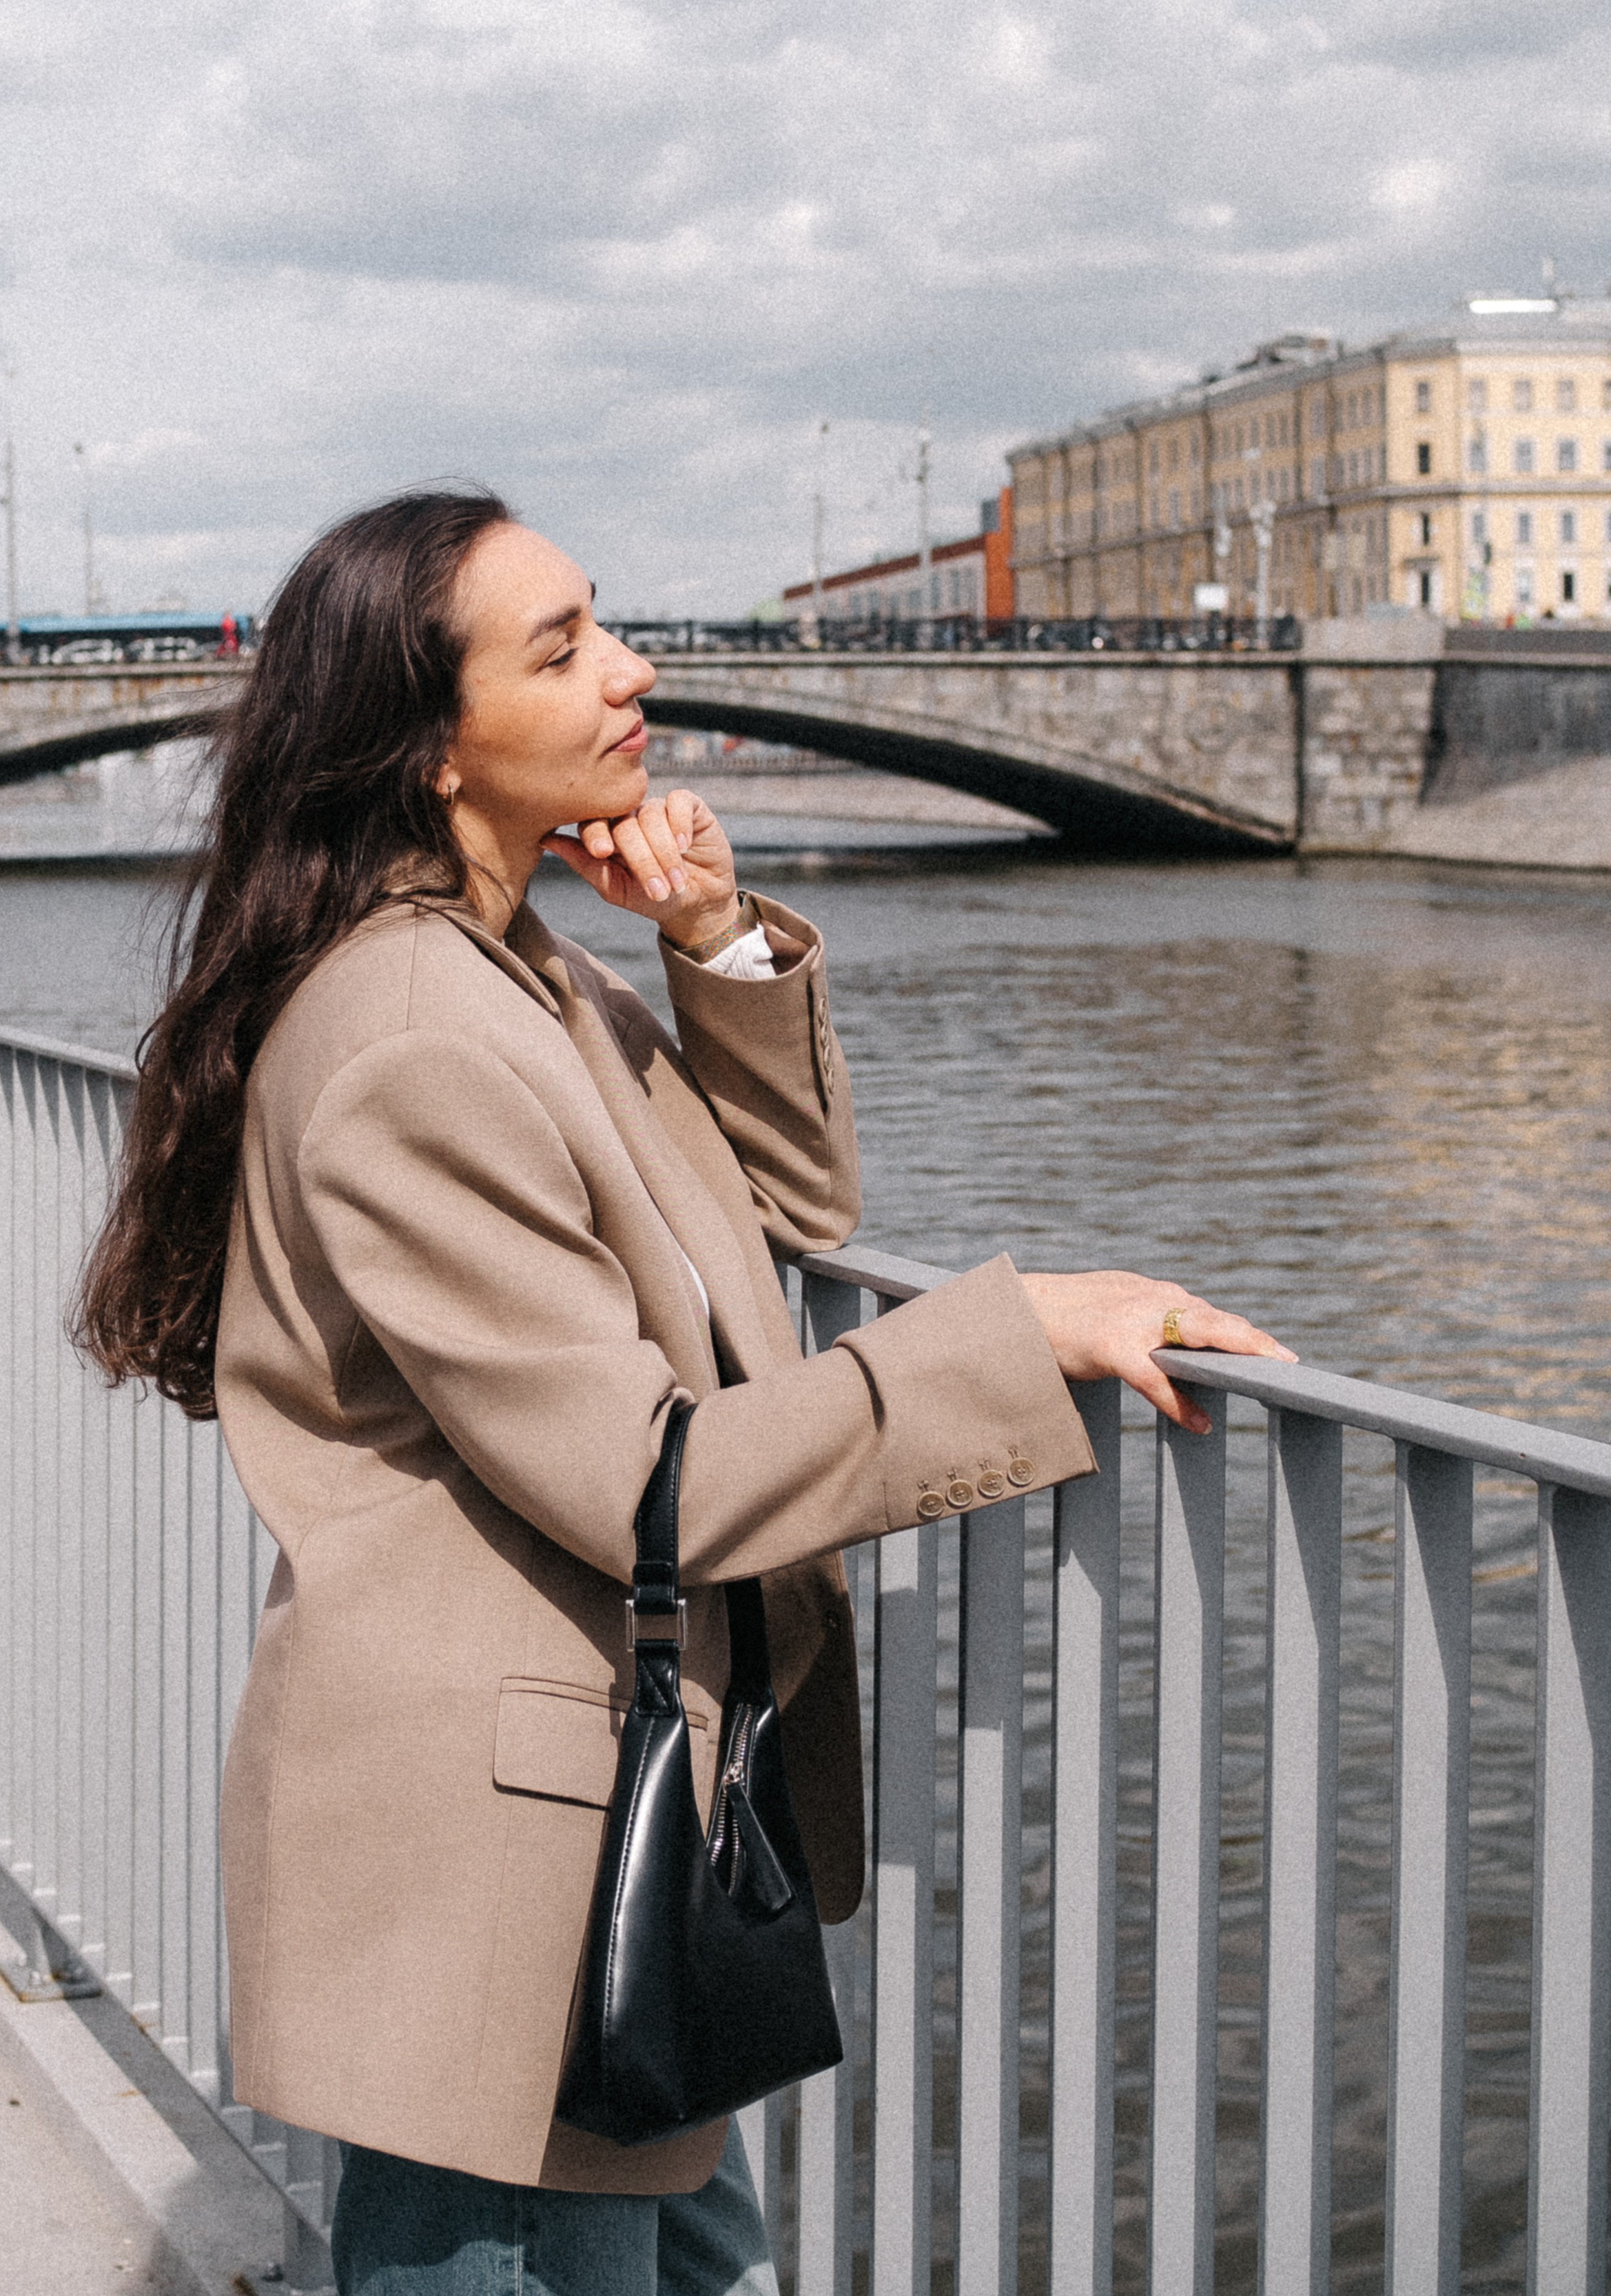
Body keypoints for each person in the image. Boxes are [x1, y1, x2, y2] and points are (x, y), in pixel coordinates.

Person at [76, 490, 1292, 2296]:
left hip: (581, 1827)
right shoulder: (414, 1037)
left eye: (607, 623)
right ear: (432, 748)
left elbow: (779, 1210)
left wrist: (712, 936)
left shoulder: (511, 969)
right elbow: (654, 1483)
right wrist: (1015, 1334)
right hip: (499, 1876)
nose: (634, 671)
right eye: (563, 649)